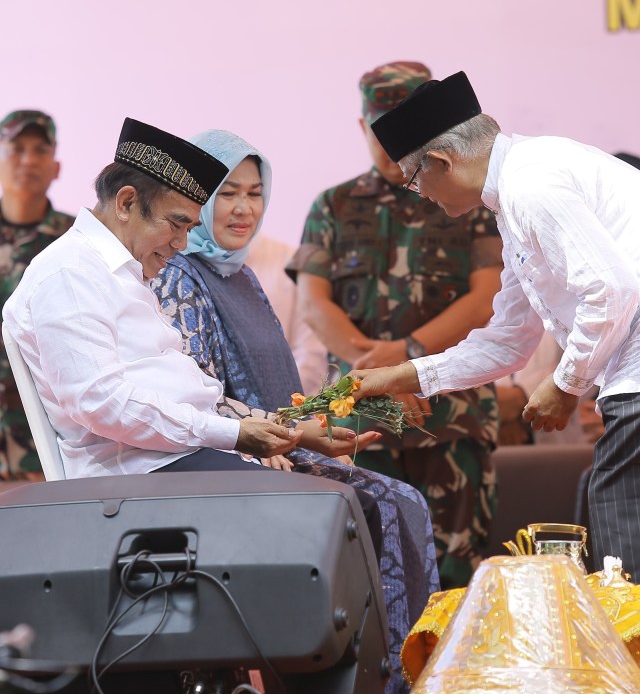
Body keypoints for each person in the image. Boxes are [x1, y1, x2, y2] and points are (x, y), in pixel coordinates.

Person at [150, 129, 440, 694]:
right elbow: (194, 402)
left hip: (273, 447)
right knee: (385, 502)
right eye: (226, 192)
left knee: (397, 499)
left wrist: (315, 429)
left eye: (255, 193)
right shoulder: (179, 275)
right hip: (228, 460)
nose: (243, 208)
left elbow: (276, 392)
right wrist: (270, 442)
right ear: (195, 199)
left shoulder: (245, 276)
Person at [348, 70, 640, 583]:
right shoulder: (515, 193)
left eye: (414, 180)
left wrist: (565, 383)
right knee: (608, 522)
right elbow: (508, 338)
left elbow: (612, 291)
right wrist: (405, 376)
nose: (420, 195)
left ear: (441, 161)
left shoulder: (531, 184)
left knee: (620, 547)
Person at [2, 117, 374, 482]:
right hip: (137, 472)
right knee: (327, 505)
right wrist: (235, 435)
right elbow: (101, 404)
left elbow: (189, 395)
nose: (181, 245)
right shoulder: (69, 273)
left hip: (184, 458)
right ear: (127, 203)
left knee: (351, 500)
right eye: (176, 225)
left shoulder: (124, 271)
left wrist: (284, 429)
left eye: (189, 229)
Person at [287, 62, 504, 589]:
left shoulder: (468, 194)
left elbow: (485, 299)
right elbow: (314, 305)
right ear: (362, 126)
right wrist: (379, 369)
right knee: (371, 580)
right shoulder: (332, 206)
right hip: (359, 422)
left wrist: (406, 360)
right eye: (378, 127)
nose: (389, 143)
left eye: (402, 125)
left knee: (458, 581)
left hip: (450, 416)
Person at [0, 110, 74, 481]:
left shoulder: (77, 242)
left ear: (55, 166)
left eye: (40, 150)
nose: (28, 159)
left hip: (48, 444)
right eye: (17, 148)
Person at [245, 233, 328, 393]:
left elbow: (310, 356)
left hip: (282, 409)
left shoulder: (288, 262)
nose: (242, 209)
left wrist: (275, 411)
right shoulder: (185, 261)